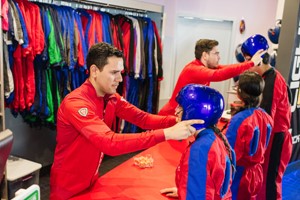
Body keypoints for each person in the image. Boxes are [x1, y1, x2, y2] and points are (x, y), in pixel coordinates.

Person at [50, 42, 204, 200]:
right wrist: (166, 134)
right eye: (114, 72)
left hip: (92, 179)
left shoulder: (111, 97)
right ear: (94, 71)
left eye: (121, 72)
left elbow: (142, 118)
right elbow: (109, 142)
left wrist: (177, 120)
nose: (120, 79)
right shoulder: (76, 103)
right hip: (67, 188)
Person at [160, 84, 236, 200]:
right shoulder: (217, 137)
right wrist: (184, 190)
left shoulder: (199, 149)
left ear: (196, 112)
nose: (176, 112)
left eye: (180, 107)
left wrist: (189, 193)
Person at [241, 34, 292, 200]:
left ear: (259, 58)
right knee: (262, 182)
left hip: (276, 139)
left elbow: (265, 119)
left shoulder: (273, 82)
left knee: (270, 183)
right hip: (271, 137)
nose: (246, 65)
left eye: (249, 59)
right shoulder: (265, 77)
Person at [158, 39, 266, 116]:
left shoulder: (206, 67)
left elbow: (226, 68)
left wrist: (249, 63)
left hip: (182, 115)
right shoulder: (193, 69)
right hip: (170, 116)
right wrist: (251, 63)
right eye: (216, 53)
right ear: (205, 55)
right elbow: (218, 75)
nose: (219, 57)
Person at [224, 71, 274, 200]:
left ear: (239, 92)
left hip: (238, 176)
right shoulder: (266, 116)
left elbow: (227, 152)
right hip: (256, 174)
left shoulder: (239, 120)